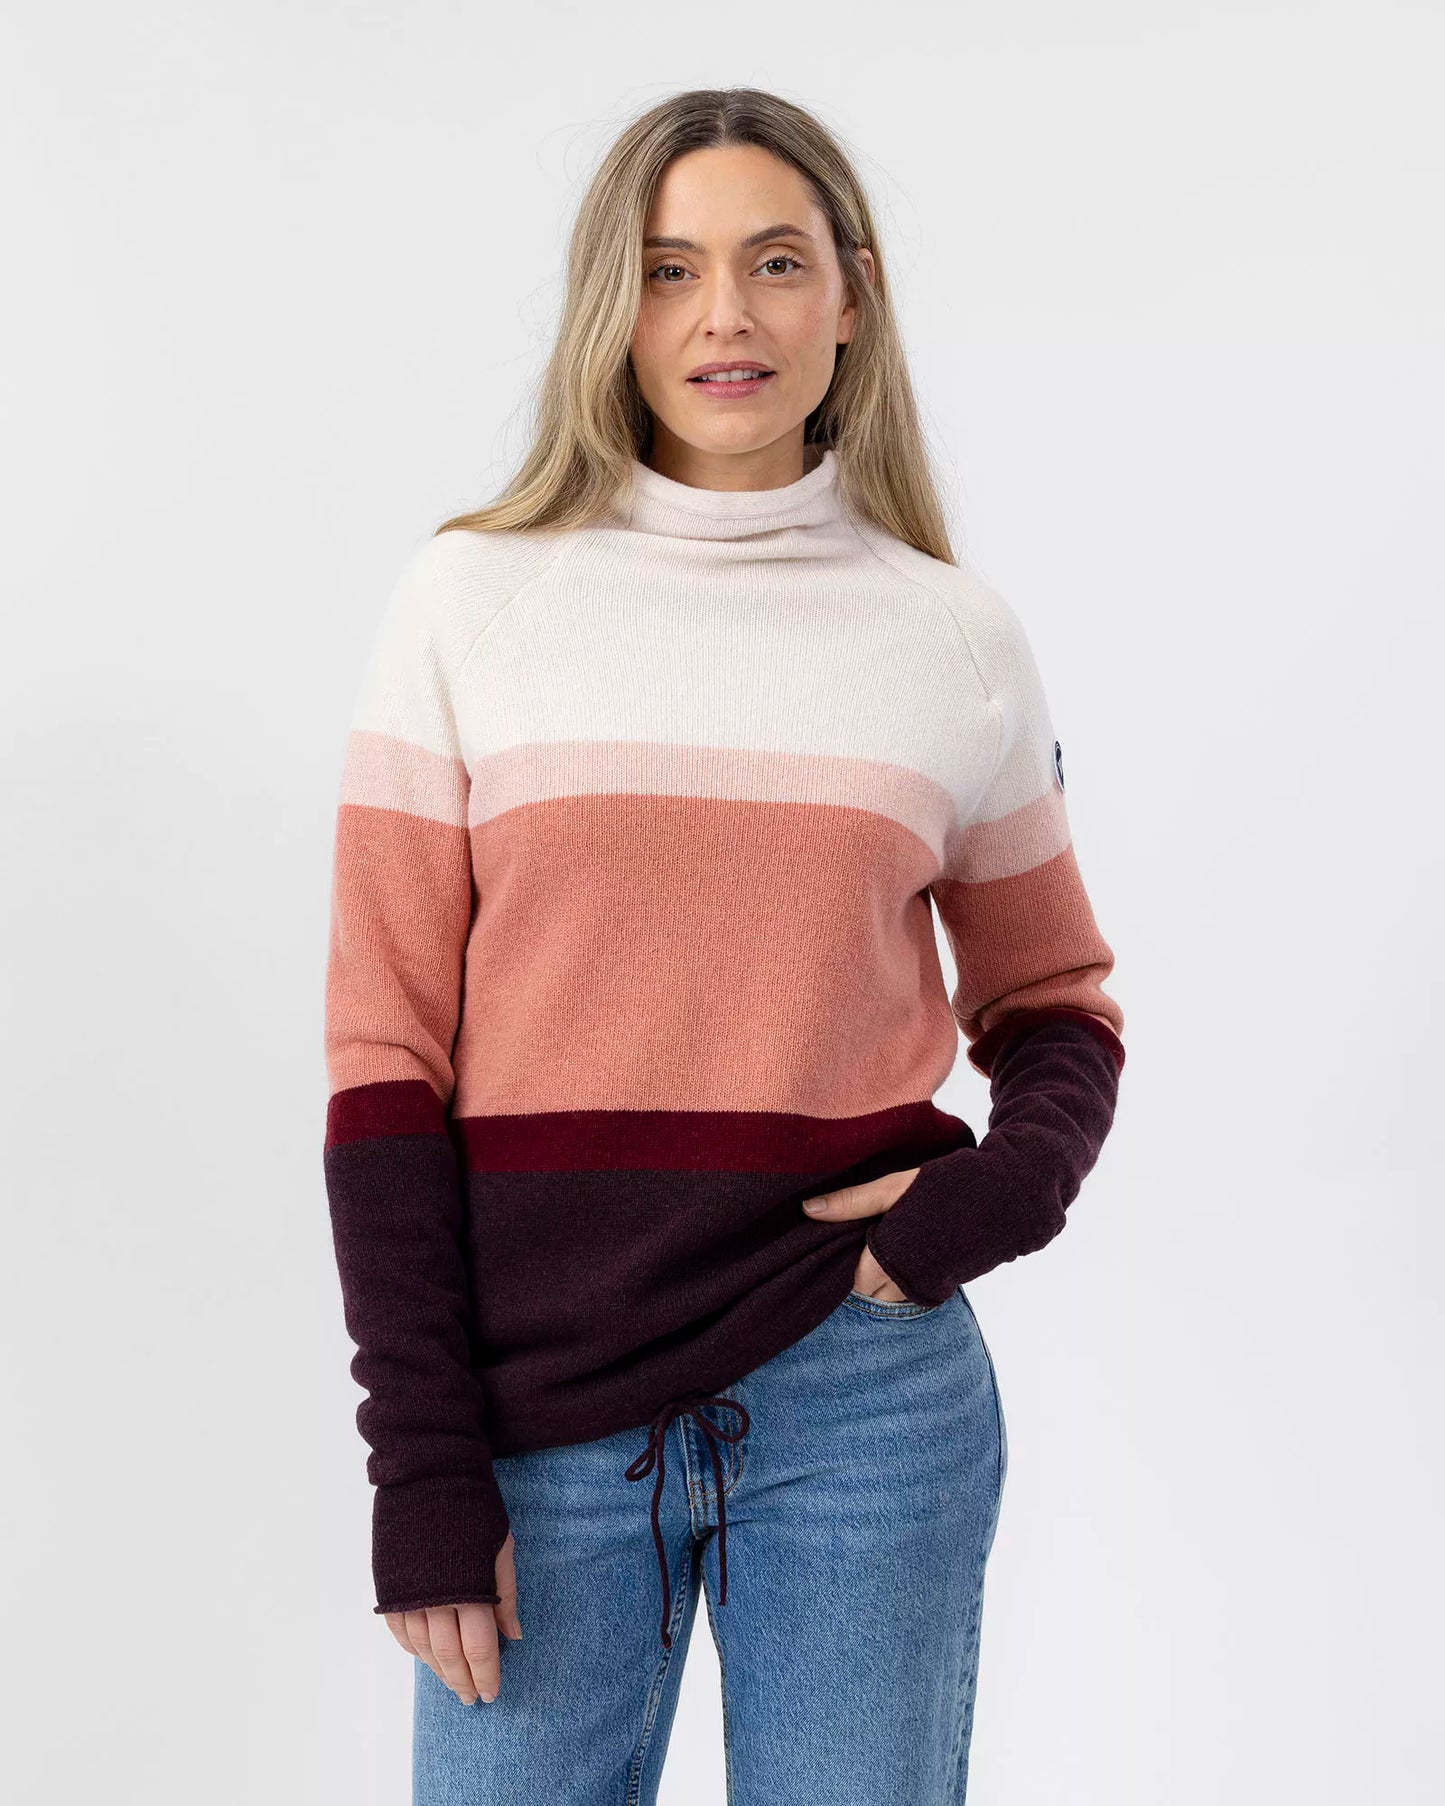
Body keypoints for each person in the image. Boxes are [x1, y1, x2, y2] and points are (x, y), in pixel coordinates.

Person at [321, 86, 1124, 1805]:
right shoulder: (472, 603)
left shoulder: (951, 638)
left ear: (852, 295)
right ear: (613, 310)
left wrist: (1000, 1190)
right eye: (670, 269)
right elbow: (384, 1058)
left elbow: (1053, 999)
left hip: (862, 1391)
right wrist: (421, 1461)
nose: (723, 317)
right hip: (534, 1406)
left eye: (774, 262)